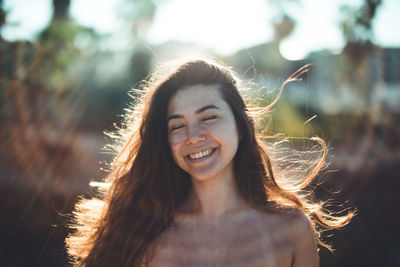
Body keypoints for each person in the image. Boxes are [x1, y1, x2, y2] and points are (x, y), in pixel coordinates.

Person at [66, 59, 354, 266]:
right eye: (177, 126)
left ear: (240, 126)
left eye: (209, 117)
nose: (193, 136)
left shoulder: (291, 228)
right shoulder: (142, 231)